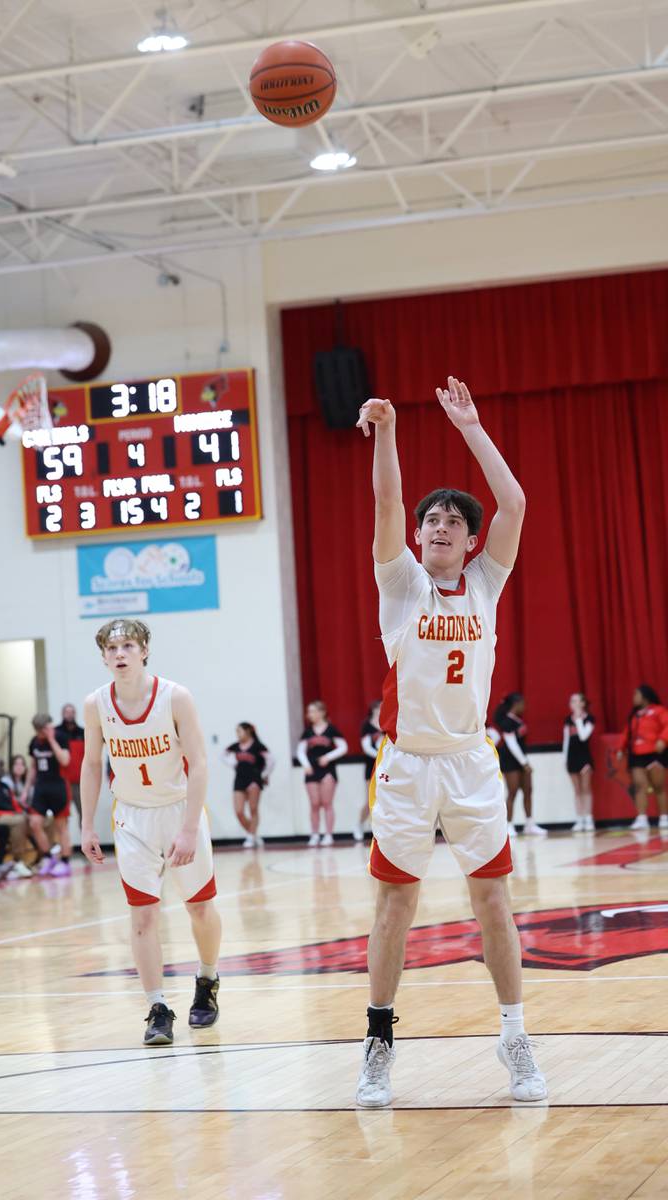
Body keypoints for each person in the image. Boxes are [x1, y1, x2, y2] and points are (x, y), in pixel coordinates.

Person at [353, 376, 546, 1108]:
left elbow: (516, 504)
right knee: (393, 907)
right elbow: (386, 505)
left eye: (450, 521)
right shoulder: (401, 584)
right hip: (406, 765)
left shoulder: (486, 583)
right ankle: (378, 1043)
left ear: (468, 541)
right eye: (429, 519)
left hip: (470, 762)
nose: (435, 525)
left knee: (493, 903)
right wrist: (392, 434)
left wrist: (469, 426)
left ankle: (515, 1036)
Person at [80, 618, 221, 1047]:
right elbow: (90, 764)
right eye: (111, 648)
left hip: (180, 810)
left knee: (199, 908)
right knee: (142, 915)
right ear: (103, 657)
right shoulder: (95, 704)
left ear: (144, 650)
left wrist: (190, 827)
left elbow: (198, 764)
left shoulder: (176, 697)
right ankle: (157, 1007)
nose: (119, 653)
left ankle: (207, 978)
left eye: (127, 645)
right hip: (132, 818)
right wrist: (86, 823)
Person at [24, 713, 72, 876]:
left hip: (58, 786)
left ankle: (65, 861)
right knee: (34, 823)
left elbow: (65, 760)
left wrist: (52, 740)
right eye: (44, 730)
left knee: (61, 826)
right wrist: (25, 790)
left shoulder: (61, 737)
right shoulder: (34, 742)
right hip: (41, 787)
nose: (48, 731)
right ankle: (48, 856)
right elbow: (32, 767)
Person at [493, 694, 547, 837]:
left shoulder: (518, 720)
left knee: (528, 790)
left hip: (522, 760)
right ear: (515, 704)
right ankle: (508, 825)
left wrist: (525, 762)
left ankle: (530, 824)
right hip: (510, 761)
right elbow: (512, 744)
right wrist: (525, 763)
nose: (524, 706)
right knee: (512, 792)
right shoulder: (506, 722)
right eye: (522, 703)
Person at [616, 685, 668, 831]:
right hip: (637, 754)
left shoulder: (659, 711)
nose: (633, 698)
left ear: (645, 696)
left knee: (658, 786)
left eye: (636, 694)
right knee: (639, 785)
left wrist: (663, 740)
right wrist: (621, 748)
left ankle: (664, 818)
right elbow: (627, 733)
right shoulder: (634, 715)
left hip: (654, 753)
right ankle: (642, 818)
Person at [297, 701, 348, 846]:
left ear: (322, 712)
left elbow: (343, 747)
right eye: (309, 712)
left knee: (327, 803)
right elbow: (300, 751)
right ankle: (314, 834)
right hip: (311, 770)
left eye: (312, 711)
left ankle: (328, 835)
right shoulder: (307, 731)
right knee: (314, 804)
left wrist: (328, 757)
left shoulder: (331, 729)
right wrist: (306, 765)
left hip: (327, 770)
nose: (310, 715)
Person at [222, 723, 275, 848]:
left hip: (254, 780)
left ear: (248, 731)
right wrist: (233, 764)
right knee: (239, 811)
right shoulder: (235, 746)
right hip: (240, 779)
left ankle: (250, 837)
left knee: (253, 809)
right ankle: (253, 835)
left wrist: (263, 775)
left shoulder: (258, 746)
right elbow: (222, 755)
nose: (237, 734)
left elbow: (271, 761)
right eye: (236, 732)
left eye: (239, 731)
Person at [563, 693, 595, 832]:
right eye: (572, 701)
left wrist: (578, 719)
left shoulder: (589, 719)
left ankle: (588, 818)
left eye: (576, 701)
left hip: (584, 757)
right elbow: (566, 740)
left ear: (583, 703)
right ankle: (579, 819)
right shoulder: (567, 720)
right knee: (576, 790)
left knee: (586, 788)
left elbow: (583, 736)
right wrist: (564, 759)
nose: (573, 703)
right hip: (572, 757)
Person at [355, 701, 382, 841]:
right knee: (371, 799)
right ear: (373, 709)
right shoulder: (367, 726)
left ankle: (381, 829)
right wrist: (380, 756)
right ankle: (359, 825)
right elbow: (366, 748)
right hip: (372, 766)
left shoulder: (388, 722)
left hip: (387, 767)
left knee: (385, 800)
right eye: (379, 707)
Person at [56, 703, 85, 820]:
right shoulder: (56, 733)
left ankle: (86, 838)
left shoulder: (83, 732)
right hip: (62, 782)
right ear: (62, 714)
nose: (69, 714)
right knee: (61, 817)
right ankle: (62, 839)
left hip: (80, 783)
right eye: (67, 712)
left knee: (84, 815)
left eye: (72, 712)